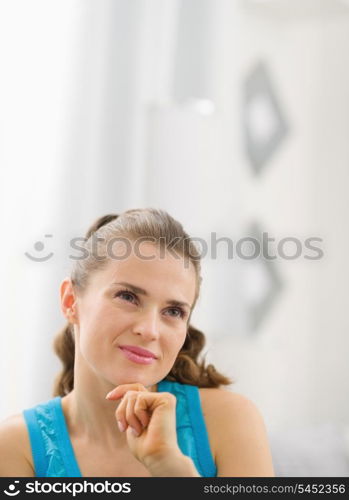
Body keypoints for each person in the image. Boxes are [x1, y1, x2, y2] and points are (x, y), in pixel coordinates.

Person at [0, 208, 274, 477]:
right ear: (71, 301)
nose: (149, 330)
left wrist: (173, 472)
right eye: (128, 297)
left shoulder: (229, 421)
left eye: (173, 311)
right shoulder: (16, 446)